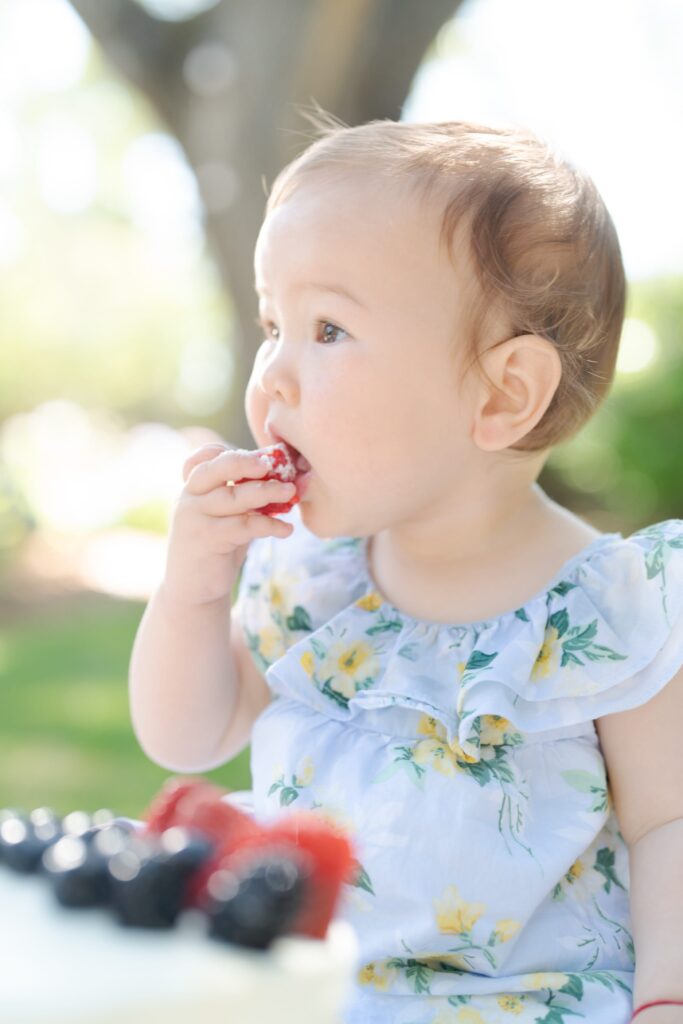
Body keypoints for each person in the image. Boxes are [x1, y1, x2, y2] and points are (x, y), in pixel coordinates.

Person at [129, 112, 683, 1024]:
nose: (271, 374)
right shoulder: (314, 580)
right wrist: (191, 588)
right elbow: (185, 737)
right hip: (306, 993)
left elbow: (669, 828)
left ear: (503, 395)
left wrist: (665, 999)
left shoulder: (610, 614)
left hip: (529, 1003)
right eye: (274, 322)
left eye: (329, 329)